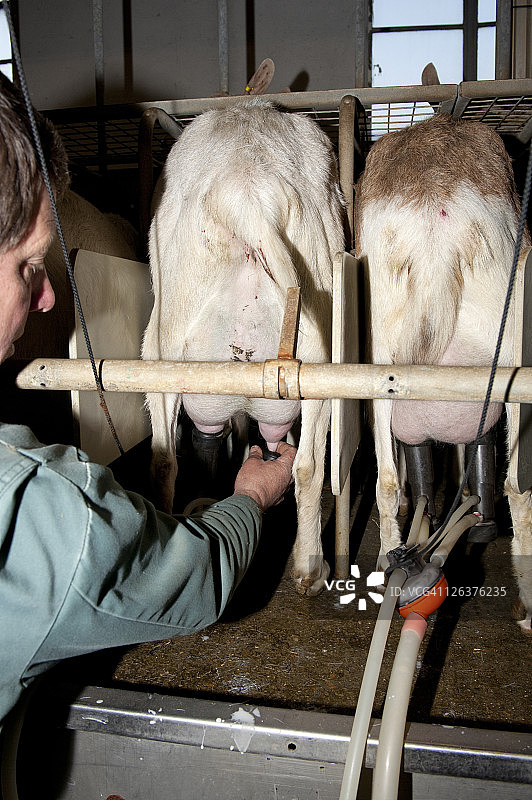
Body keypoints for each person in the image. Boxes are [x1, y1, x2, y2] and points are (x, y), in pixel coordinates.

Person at [0, 73, 297, 732]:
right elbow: (188, 576)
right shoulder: (41, 516)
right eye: (27, 266)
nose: (48, 298)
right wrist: (251, 499)